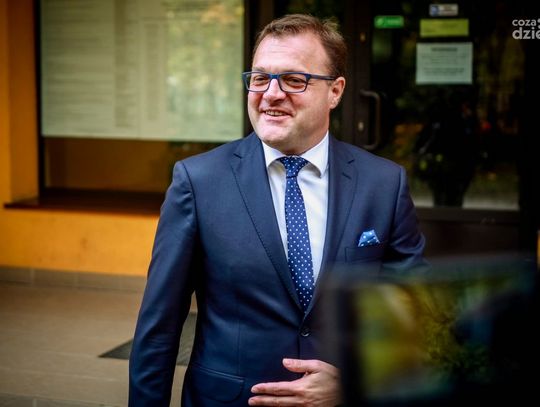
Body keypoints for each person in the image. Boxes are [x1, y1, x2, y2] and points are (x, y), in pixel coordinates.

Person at [129, 14, 425, 407]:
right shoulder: (198, 181)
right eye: (260, 77)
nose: (271, 94)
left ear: (335, 91)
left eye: (293, 79)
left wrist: (357, 383)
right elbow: (159, 327)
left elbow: (413, 313)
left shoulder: (383, 184)